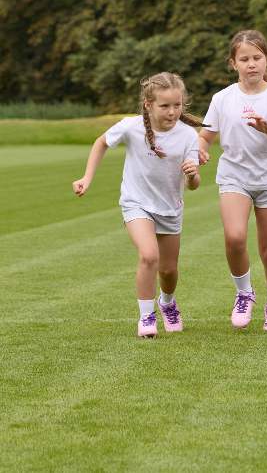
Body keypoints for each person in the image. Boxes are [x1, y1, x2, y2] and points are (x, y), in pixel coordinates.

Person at [72, 73, 202, 338]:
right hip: (136, 203)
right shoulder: (131, 127)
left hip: (170, 208)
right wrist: (87, 177)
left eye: (177, 105)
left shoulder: (189, 135)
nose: (172, 111)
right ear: (148, 105)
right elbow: (101, 143)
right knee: (148, 255)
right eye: (164, 106)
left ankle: (167, 303)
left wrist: (192, 174)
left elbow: (194, 185)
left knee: (168, 270)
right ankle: (146, 317)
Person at [198, 30, 267, 331]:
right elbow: (206, 136)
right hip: (234, 177)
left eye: (257, 58)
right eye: (244, 59)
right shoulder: (222, 98)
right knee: (235, 238)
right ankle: (244, 293)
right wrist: (199, 150)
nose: (251, 64)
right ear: (233, 63)